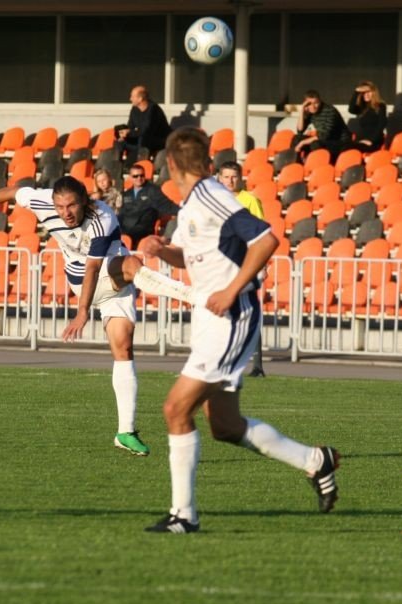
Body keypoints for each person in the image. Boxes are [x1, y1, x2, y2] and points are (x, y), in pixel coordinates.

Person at [141, 127, 341, 534]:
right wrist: (164, 250)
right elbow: (193, 260)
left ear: (172, 164)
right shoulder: (194, 203)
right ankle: (315, 460)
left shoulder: (212, 197)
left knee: (175, 409)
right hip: (211, 319)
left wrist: (232, 290)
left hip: (231, 318)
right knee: (225, 427)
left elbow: (267, 240)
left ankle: (184, 516)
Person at [0, 176, 194, 456]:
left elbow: (94, 266)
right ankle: (194, 296)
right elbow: (14, 191)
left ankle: (125, 431)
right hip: (89, 280)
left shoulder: (102, 216)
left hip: (110, 279)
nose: (66, 213)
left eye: (72, 206)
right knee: (132, 264)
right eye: (60, 207)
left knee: (123, 348)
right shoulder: (43, 202)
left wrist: (82, 311)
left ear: (84, 201)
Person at [216, 160, 266, 378]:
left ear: (241, 178)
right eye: (226, 176)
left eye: (234, 176)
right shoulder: (216, 200)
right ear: (219, 178)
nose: (230, 180)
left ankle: (257, 363)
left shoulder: (250, 200)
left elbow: (262, 234)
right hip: (220, 263)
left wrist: (261, 265)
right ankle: (221, 358)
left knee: (247, 310)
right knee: (219, 311)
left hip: (245, 262)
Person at [118, 163, 179, 250]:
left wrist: (183, 211)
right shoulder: (127, 193)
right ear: (130, 178)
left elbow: (167, 205)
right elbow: (122, 213)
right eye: (135, 176)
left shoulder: (153, 190)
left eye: (141, 175)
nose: (139, 178)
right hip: (126, 226)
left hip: (144, 227)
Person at [116, 85, 171, 166]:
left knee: (143, 139)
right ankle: (118, 167)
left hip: (158, 140)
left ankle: (140, 166)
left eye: (132, 96)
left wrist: (130, 133)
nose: (130, 99)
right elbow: (130, 126)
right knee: (120, 141)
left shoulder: (154, 110)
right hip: (141, 138)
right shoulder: (135, 109)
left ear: (140, 99)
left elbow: (148, 130)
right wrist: (123, 133)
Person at [294, 89, 351, 163]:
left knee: (316, 144)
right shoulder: (310, 112)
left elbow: (324, 136)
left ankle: (317, 166)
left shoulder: (330, 111)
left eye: (316, 103)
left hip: (340, 142)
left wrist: (303, 143)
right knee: (296, 139)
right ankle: (296, 165)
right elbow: (300, 130)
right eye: (310, 104)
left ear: (320, 101)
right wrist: (302, 110)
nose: (314, 106)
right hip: (325, 139)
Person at [347, 81, 388, 153]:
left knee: (348, 148)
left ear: (374, 93)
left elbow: (381, 125)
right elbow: (351, 109)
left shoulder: (380, 106)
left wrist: (371, 141)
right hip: (360, 141)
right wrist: (356, 92)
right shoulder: (362, 107)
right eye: (363, 93)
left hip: (372, 142)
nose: (366, 95)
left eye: (368, 92)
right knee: (342, 146)